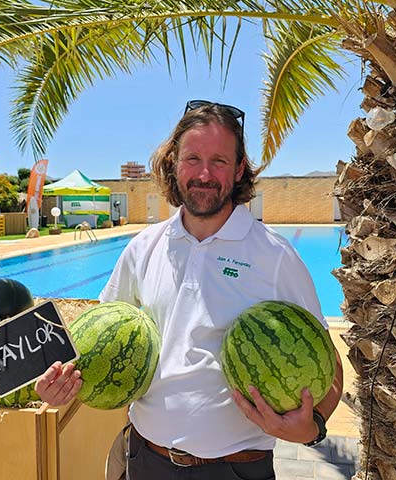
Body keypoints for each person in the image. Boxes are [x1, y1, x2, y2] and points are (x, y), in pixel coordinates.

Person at [36, 100, 344, 479]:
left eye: (219, 160)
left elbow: (328, 363)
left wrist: (313, 428)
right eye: (192, 158)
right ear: (174, 164)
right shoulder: (143, 247)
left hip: (235, 470)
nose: (204, 173)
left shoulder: (274, 255)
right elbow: (98, 339)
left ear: (239, 169)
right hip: (146, 460)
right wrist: (63, 383)